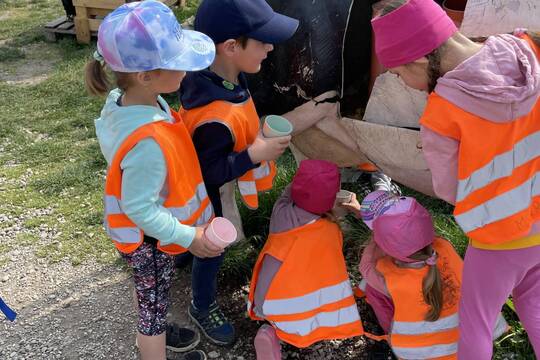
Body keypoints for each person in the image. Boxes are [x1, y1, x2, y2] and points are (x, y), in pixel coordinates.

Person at [370, 1, 540, 358]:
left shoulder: (441, 114)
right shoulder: (529, 50)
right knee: (536, 305)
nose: (404, 83)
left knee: (476, 323)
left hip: (500, 239)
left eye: (399, 75)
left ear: (419, 61)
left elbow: (449, 189)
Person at [85, 1, 220, 359]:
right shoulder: (147, 142)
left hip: (136, 238)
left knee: (148, 295)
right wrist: (189, 236)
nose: (186, 70)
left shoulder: (124, 100)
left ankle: (150, 335)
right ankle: (152, 348)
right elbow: (140, 207)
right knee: (154, 312)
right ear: (145, 75)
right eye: (177, 63)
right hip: (149, 240)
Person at [177, 0, 299, 346]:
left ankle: (179, 250)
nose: (271, 47)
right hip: (203, 198)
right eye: (262, 41)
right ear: (231, 47)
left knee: (187, 237)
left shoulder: (223, 77)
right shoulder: (213, 117)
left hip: (192, 188)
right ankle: (202, 305)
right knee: (212, 247)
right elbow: (209, 174)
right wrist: (253, 154)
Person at [346, 190, 507, 359]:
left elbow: (366, 267)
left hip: (423, 353)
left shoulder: (388, 278)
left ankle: (387, 335)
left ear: (384, 246)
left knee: (375, 293)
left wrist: (374, 235)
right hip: (474, 345)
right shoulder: (445, 247)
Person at [247, 159, 363, 359]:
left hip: (267, 299)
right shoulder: (330, 231)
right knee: (308, 304)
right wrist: (355, 211)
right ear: (332, 200)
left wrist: (306, 179)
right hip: (302, 306)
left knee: (278, 312)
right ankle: (296, 331)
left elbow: (290, 192)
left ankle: (270, 332)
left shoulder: (280, 212)